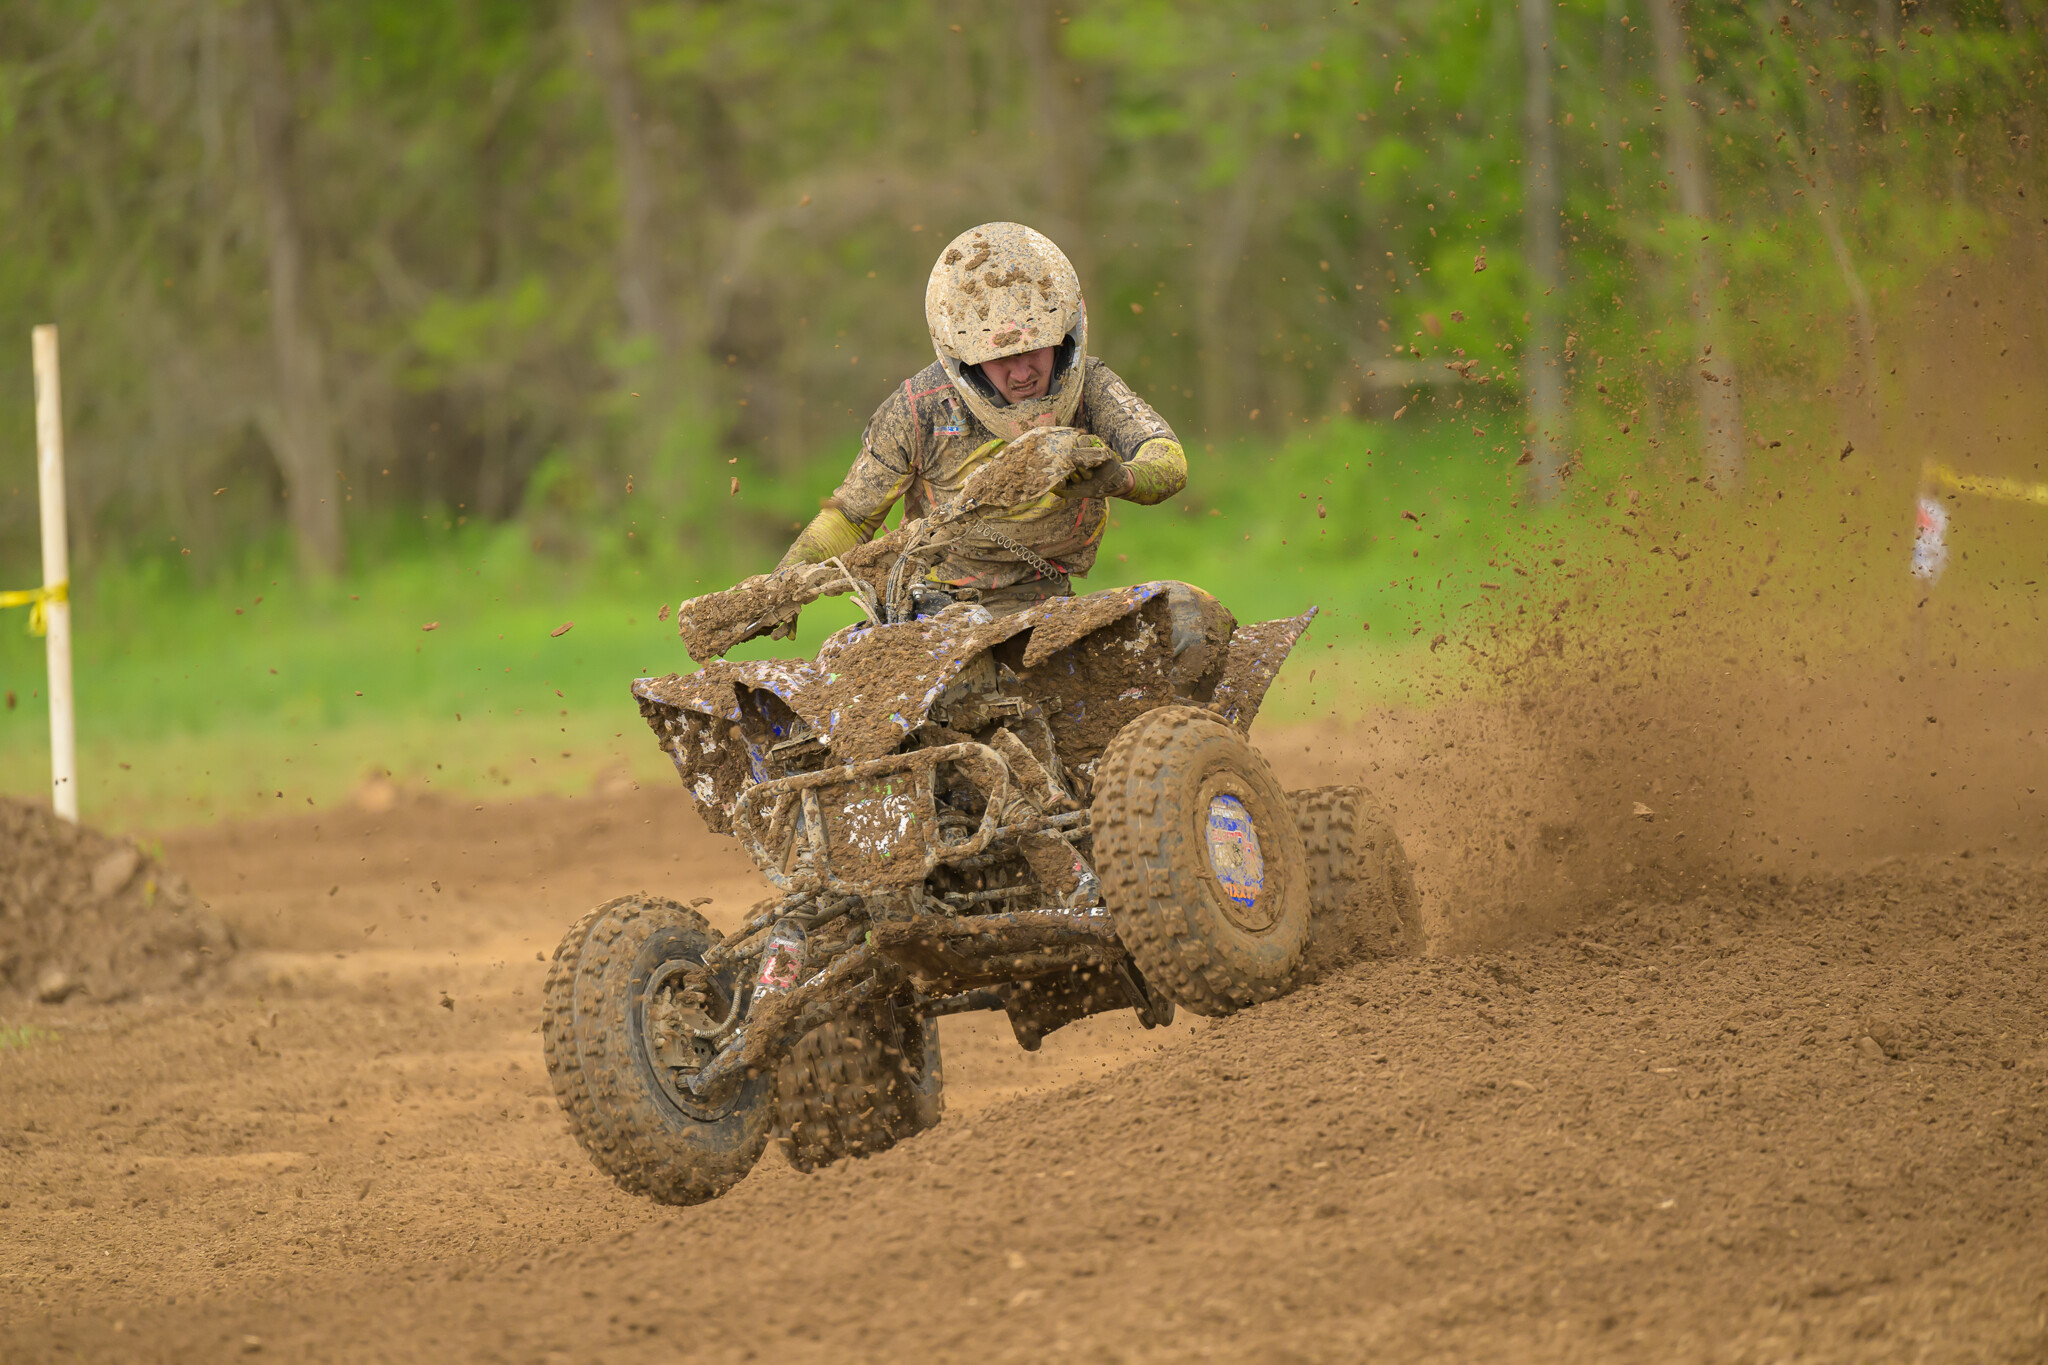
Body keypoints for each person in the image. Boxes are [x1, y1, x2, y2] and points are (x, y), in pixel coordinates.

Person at [776, 221, 1186, 615]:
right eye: (1001, 358)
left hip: (1049, 602)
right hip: (936, 609)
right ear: (964, 359)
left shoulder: (1090, 386)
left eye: (1035, 349)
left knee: (1185, 614)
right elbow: (849, 517)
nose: (1023, 373)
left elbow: (1166, 456)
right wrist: (781, 589)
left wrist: (1121, 479)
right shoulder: (919, 407)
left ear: (1065, 337)